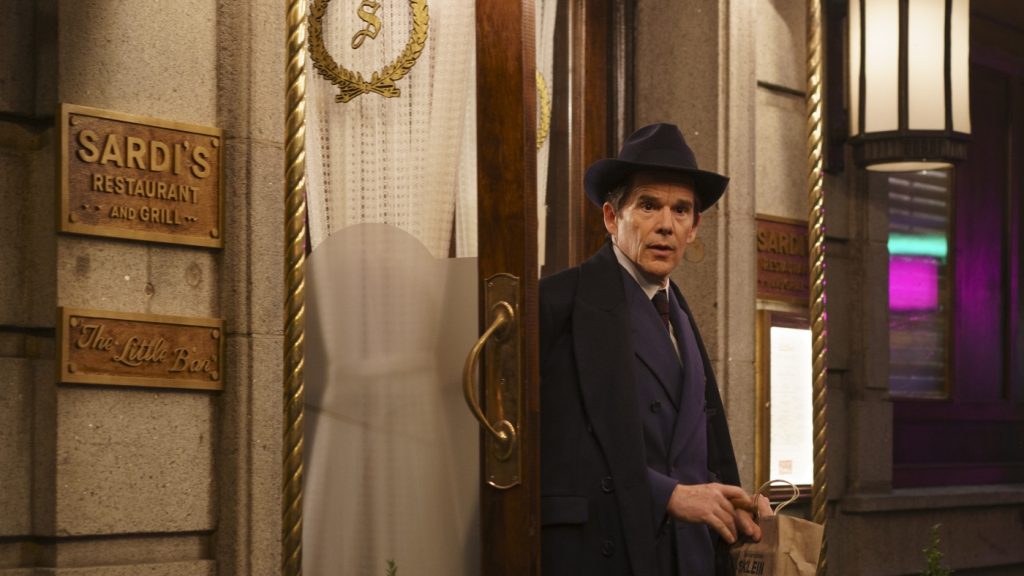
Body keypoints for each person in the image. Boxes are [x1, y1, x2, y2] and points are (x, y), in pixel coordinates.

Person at [540, 123, 764, 575]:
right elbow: (546, 453)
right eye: (648, 205)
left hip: (690, 557)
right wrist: (667, 496)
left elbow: (694, 447)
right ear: (611, 217)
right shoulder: (557, 304)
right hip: (613, 553)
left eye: (681, 210)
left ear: (694, 227)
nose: (666, 224)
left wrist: (733, 500)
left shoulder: (677, 309)